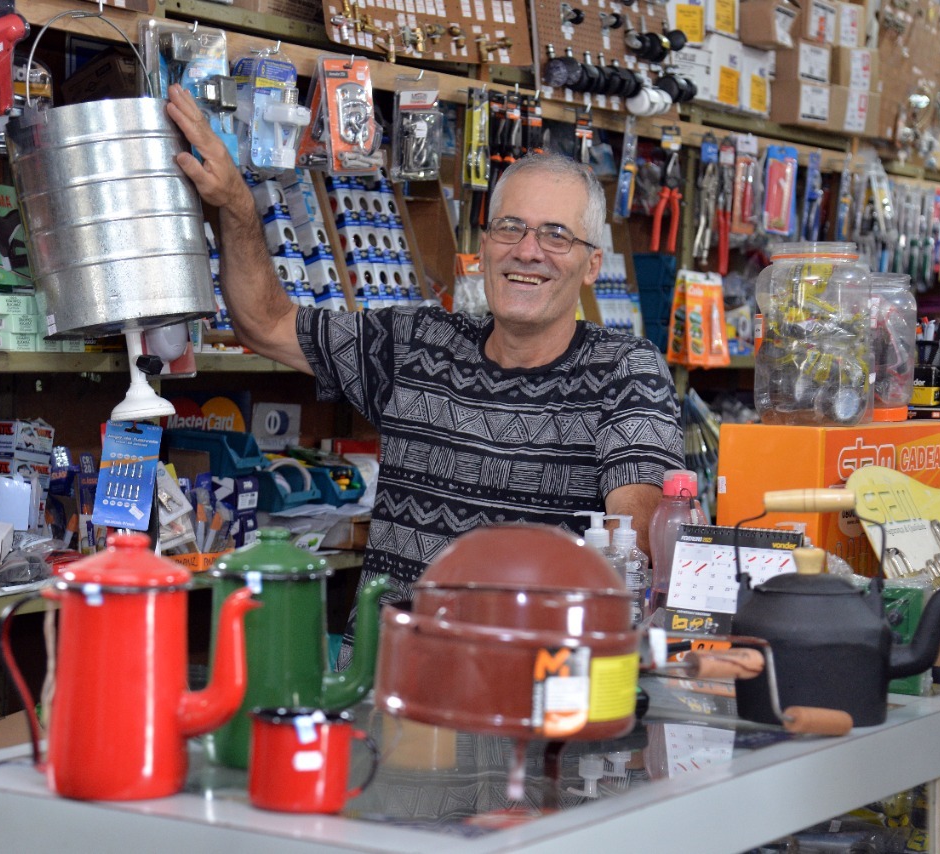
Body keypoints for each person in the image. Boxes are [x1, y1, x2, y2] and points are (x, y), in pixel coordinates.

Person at [166, 84, 684, 660]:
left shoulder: (625, 371)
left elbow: (630, 546)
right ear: (484, 248)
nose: (528, 251)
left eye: (556, 235)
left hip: (520, 691)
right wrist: (237, 203)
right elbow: (265, 324)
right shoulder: (416, 344)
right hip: (380, 684)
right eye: (510, 228)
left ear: (592, 266)